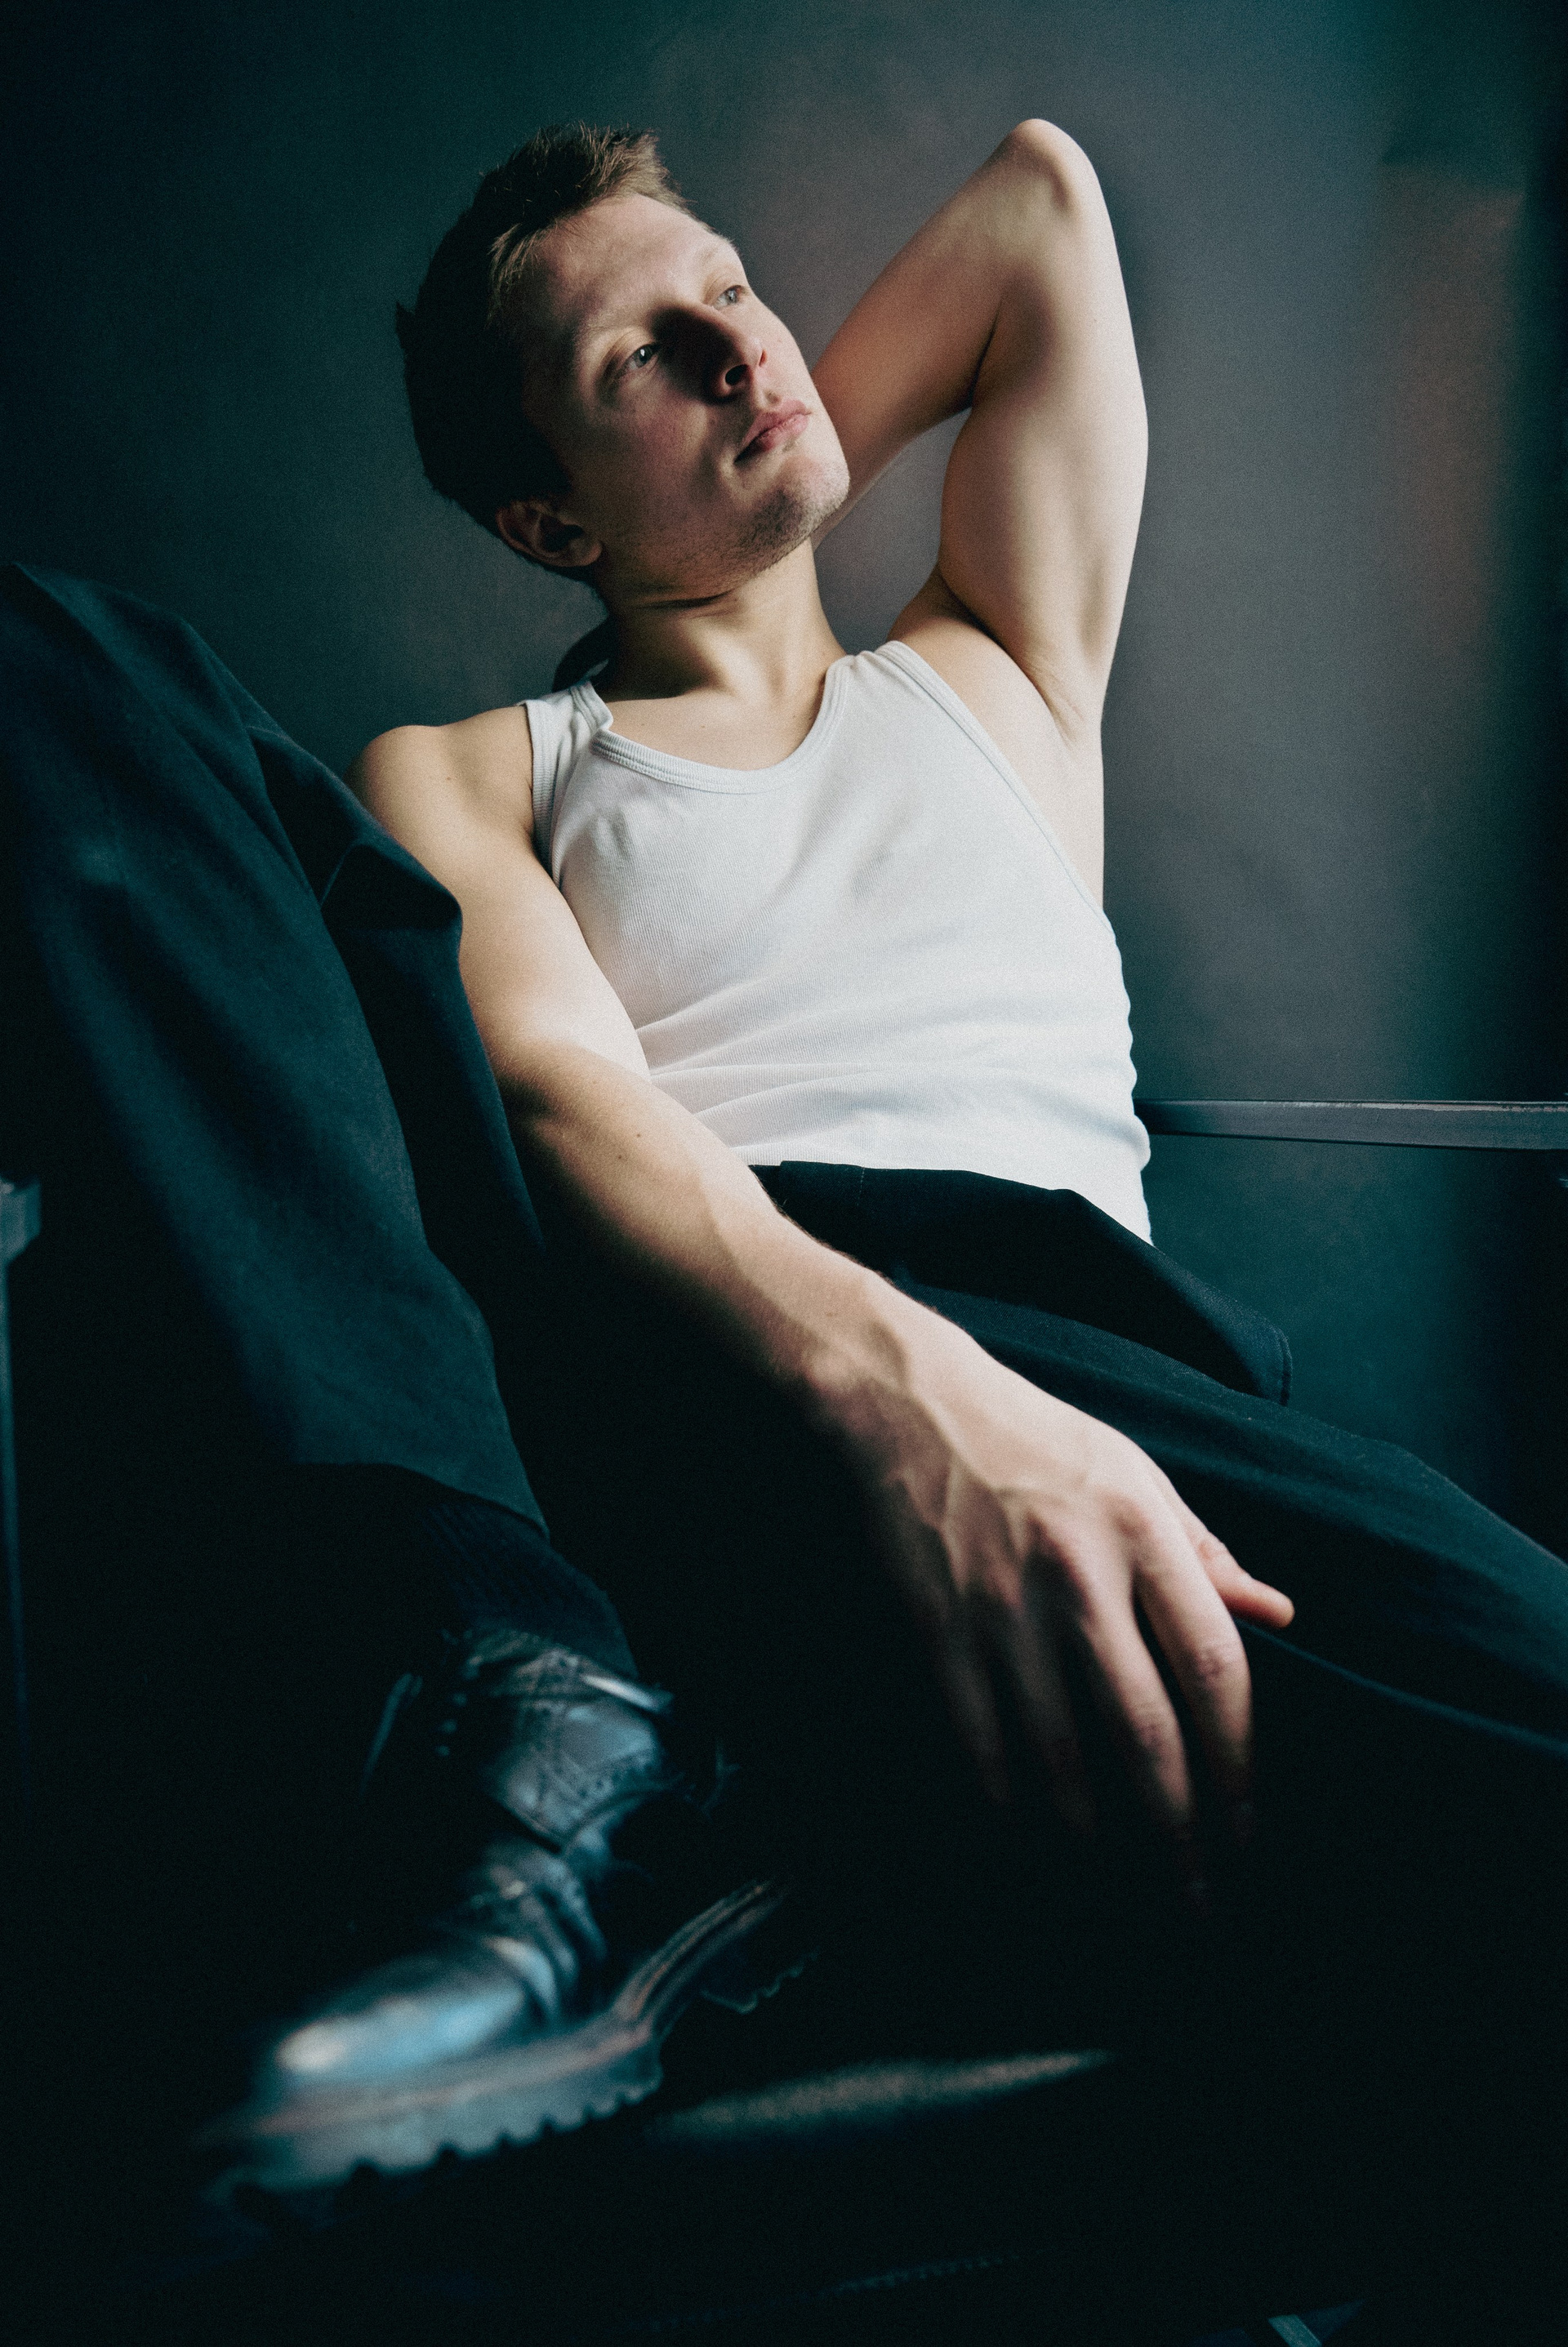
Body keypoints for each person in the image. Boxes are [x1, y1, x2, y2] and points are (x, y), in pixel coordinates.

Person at [1, 118, 1564, 2338]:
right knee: (53, 655)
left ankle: (798, 1875)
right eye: (644, 354)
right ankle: (572, 1742)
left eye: (735, 285)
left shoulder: (1001, 673)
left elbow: (1041, 206)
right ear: (545, 520)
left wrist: (737, 404)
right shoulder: (484, 763)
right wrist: (919, 1394)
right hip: (741, 1353)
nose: (740, 341)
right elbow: (560, 1100)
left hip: (1130, 1407)